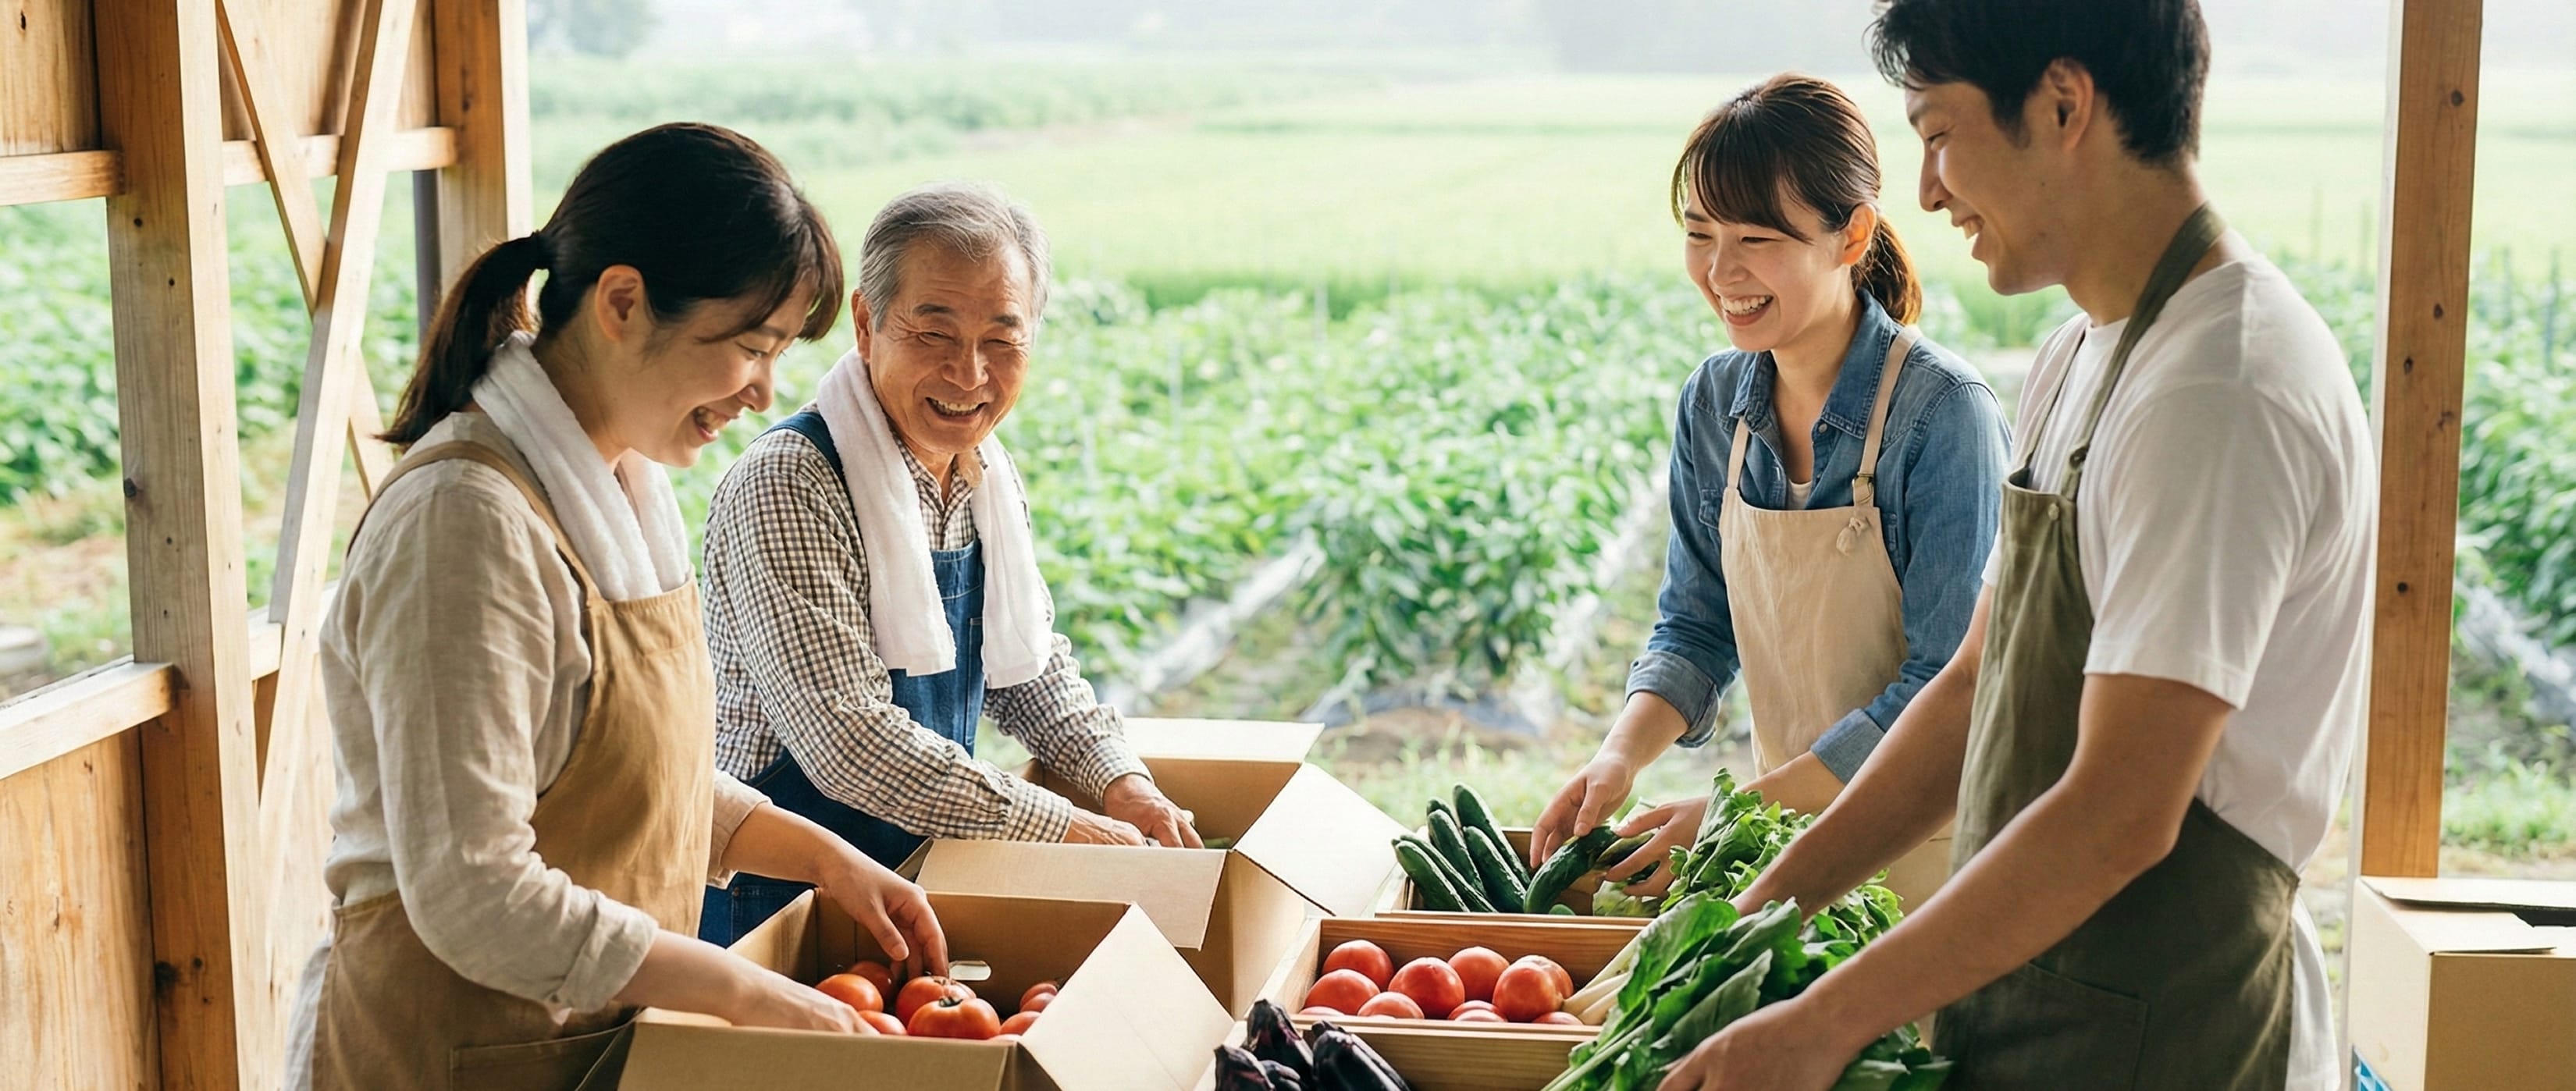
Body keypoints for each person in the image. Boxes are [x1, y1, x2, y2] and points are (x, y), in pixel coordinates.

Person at [1653, 3, 2375, 1089]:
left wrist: (1824, 1021)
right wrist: (1755, 914)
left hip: (2173, 1029)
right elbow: (1973, 685)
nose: (1929, 190)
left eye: (1940, 134)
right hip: (2044, 1001)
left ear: (2063, 106)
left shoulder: (2219, 386)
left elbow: (2120, 814)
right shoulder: (2082, 355)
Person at [289, 124, 947, 1091]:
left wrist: (826, 858)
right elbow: (475, 894)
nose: (764, 393)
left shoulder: (622, 489)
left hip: (574, 1046)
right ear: (624, 303)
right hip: (448, 1054)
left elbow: (633, 777)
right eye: (750, 347)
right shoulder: (464, 527)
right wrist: (742, 990)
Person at [1531, 74, 2009, 912]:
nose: (1722, 272)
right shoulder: (1716, 402)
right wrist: (1620, 755)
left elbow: (1948, 689)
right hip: (1787, 843)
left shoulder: (1942, 417)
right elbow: (1695, 621)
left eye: (1757, 237)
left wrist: (1731, 814)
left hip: (1930, 859)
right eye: (1699, 233)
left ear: (1852, 234)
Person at [696, 181, 1200, 947]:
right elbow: (849, 744)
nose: (970, 374)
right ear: (866, 324)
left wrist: (1118, 779)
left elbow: (1025, 667)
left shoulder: (981, 477)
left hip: (914, 884)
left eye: (1002, 339)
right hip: (779, 907)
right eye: (934, 334)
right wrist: (1061, 827)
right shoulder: (792, 483)